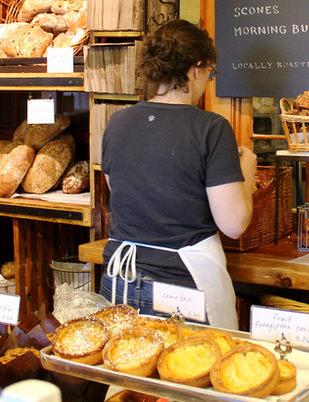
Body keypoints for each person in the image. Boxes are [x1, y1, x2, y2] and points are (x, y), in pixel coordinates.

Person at [99, 19, 257, 329]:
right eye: (209, 73)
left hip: (118, 281)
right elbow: (233, 224)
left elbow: (121, 190)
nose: (207, 81)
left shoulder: (117, 123)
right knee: (188, 362)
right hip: (180, 290)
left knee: (127, 361)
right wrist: (245, 174)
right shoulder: (210, 128)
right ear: (196, 68)